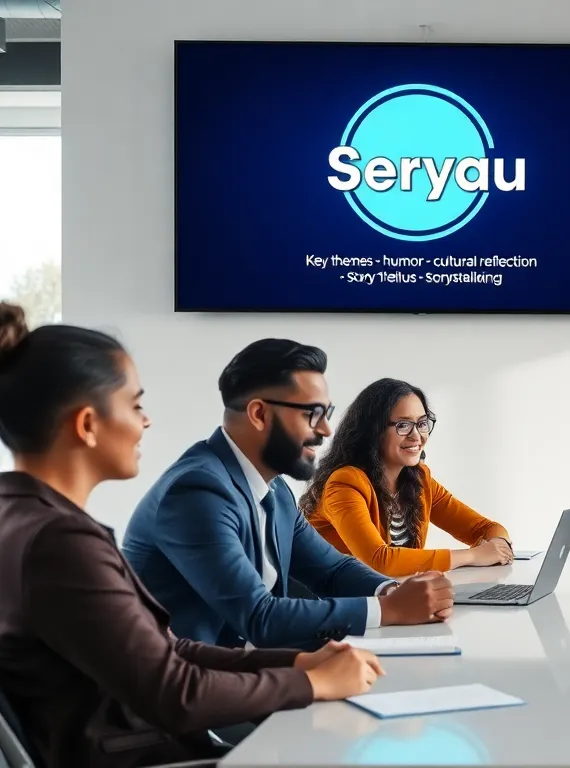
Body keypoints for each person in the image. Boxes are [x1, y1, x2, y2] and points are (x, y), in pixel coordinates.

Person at [0, 304, 384, 768]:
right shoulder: (60, 542)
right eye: (135, 404)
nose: (146, 421)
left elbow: (166, 648)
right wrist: (312, 684)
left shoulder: (28, 517)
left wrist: (295, 664)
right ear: (87, 424)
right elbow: (173, 692)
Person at [122, 340, 454, 651]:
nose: (325, 430)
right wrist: (387, 610)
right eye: (312, 413)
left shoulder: (275, 490)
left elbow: (331, 570)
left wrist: (392, 590)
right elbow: (258, 617)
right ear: (259, 414)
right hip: (192, 693)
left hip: (251, 671)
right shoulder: (197, 492)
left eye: (327, 413)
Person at [301, 378, 513, 577]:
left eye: (422, 423)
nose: (416, 436)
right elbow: (378, 561)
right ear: (373, 431)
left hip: (390, 598)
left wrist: (498, 546)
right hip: (332, 607)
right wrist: (475, 555)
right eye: (403, 425)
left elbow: (482, 528)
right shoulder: (345, 483)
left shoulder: (420, 480)